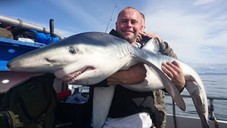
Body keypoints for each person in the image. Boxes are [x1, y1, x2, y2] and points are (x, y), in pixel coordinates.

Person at [102, 7, 185, 128]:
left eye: (133, 22)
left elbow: (167, 87)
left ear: (142, 28)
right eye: (124, 21)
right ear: (116, 25)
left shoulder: (151, 51)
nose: (128, 25)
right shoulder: (104, 46)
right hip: (109, 120)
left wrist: (179, 85)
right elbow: (79, 76)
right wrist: (121, 77)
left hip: (148, 121)